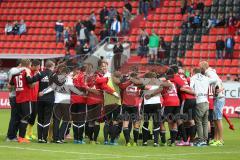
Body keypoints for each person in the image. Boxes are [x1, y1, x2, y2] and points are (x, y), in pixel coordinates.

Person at [39, 64, 85, 143]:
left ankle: (55, 138)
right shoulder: (69, 79)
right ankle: (60, 137)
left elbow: (51, 87)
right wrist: (80, 93)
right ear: (67, 73)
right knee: (66, 120)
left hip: (56, 101)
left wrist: (43, 92)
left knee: (56, 120)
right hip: (65, 102)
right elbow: (72, 88)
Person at [25, 60, 55, 143]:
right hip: (50, 99)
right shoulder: (54, 75)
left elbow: (30, 81)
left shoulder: (40, 73)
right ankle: (44, 138)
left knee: (40, 118)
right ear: (52, 66)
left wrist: (28, 74)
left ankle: (39, 138)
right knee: (47, 119)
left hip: (40, 100)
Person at [199, 61, 225, 146]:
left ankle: (220, 140)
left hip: (219, 98)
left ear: (203, 67)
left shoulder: (209, 73)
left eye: (200, 67)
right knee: (215, 119)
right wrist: (220, 88)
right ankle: (216, 139)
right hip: (217, 97)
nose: (200, 69)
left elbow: (215, 81)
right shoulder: (212, 72)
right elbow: (219, 81)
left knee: (218, 119)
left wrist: (218, 90)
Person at [170, 65, 196, 146]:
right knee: (190, 120)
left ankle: (184, 140)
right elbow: (189, 80)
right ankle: (191, 141)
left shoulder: (174, 77)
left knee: (179, 118)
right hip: (193, 99)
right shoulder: (185, 78)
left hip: (186, 100)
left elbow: (164, 80)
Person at [9, 59, 34, 143]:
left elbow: (11, 84)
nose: (30, 66)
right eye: (30, 65)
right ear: (27, 65)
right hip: (26, 97)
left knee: (19, 117)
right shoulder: (26, 71)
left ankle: (14, 136)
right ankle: (21, 137)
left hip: (18, 98)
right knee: (26, 117)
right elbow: (30, 82)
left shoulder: (15, 73)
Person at [190, 68, 216, 146]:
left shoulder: (193, 78)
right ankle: (205, 139)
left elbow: (191, 88)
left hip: (199, 101)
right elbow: (214, 80)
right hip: (206, 101)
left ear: (194, 72)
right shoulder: (206, 78)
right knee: (205, 122)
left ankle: (200, 140)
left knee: (198, 122)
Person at [6, 61, 26, 141]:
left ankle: (13, 135)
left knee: (17, 117)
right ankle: (10, 136)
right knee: (14, 117)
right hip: (14, 96)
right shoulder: (13, 70)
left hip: (17, 96)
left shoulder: (17, 71)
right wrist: (24, 68)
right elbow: (10, 84)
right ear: (20, 64)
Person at [161, 68, 180, 146]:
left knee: (160, 121)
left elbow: (161, 92)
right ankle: (172, 142)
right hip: (177, 102)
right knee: (174, 122)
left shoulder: (163, 82)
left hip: (168, 103)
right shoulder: (174, 83)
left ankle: (163, 142)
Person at [25, 60, 41, 141]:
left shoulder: (36, 73)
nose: (39, 68)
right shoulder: (29, 73)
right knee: (28, 116)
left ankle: (29, 133)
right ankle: (24, 134)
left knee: (33, 116)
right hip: (29, 98)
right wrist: (37, 78)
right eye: (38, 66)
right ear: (34, 66)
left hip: (35, 98)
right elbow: (30, 85)